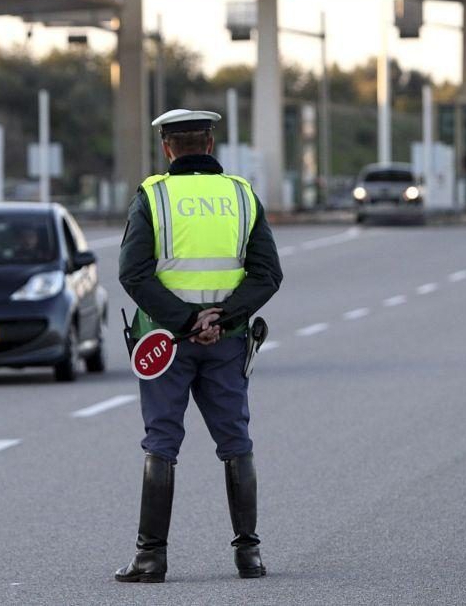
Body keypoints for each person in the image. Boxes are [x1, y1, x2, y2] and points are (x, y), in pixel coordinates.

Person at [116, 109, 283, 583]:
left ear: (167, 148)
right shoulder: (241, 195)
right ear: (210, 144)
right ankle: (247, 555)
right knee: (235, 442)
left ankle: (151, 558)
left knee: (162, 444)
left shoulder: (154, 196)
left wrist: (186, 321)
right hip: (226, 341)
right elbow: (267, 273)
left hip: (166, 343)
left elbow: (134, 273)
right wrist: (221, 318)